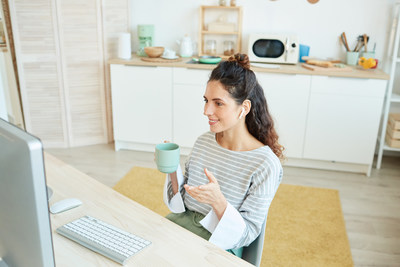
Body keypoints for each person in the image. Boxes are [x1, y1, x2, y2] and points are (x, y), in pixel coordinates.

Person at [162, 53, 284, 257]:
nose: (206, 110)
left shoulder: (265, 164)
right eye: (206, 100)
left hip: (218, 245)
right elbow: (180, 205)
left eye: (218, 103)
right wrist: (172, 169)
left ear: (243, 108)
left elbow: (248, 233)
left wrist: (218, 201)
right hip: (180, 227)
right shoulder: (204, 141)